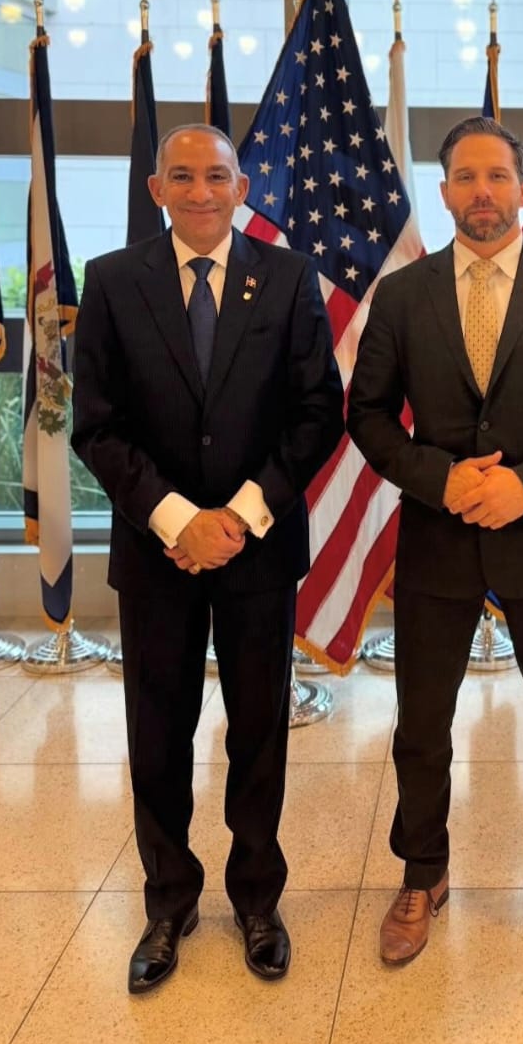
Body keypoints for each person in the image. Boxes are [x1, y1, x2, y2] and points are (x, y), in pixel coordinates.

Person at [347, 115, 523, 965]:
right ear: (443, 193)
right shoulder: (403, 294)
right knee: (421, 725)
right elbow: (367, 416)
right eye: (466, 178)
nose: (482, 192)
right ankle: (422, 872)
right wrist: (439, 479)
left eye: (497, 176)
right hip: (437, 543)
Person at [72, 125, 344, 994]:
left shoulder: (290, 277)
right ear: (157, 188)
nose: (200, 191)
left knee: (260, 729)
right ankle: (169, 901)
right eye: (182, 176)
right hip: (157, 553)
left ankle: (258, 899)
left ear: (240, 188)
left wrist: (239, 515)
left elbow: (318, 412)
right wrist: (178, 520)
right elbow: (96, 426)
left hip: (257, 548)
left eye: (216, 176)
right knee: (158, 733)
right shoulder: (112, 281)